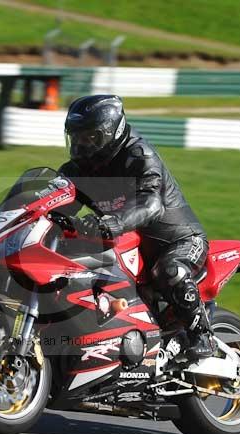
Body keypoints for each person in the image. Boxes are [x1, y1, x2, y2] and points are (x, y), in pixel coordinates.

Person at [57, 94, 214, 360]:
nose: (81, 145)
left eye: (89, 137)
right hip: (126, 245)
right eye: (77, 137)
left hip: (178, 240)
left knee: (170, 271)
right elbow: (55, 203)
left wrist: (113, 223)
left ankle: (202, 336)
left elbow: (152, 205)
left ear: (111, 132)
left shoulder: (139, 155)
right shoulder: (79, 169)